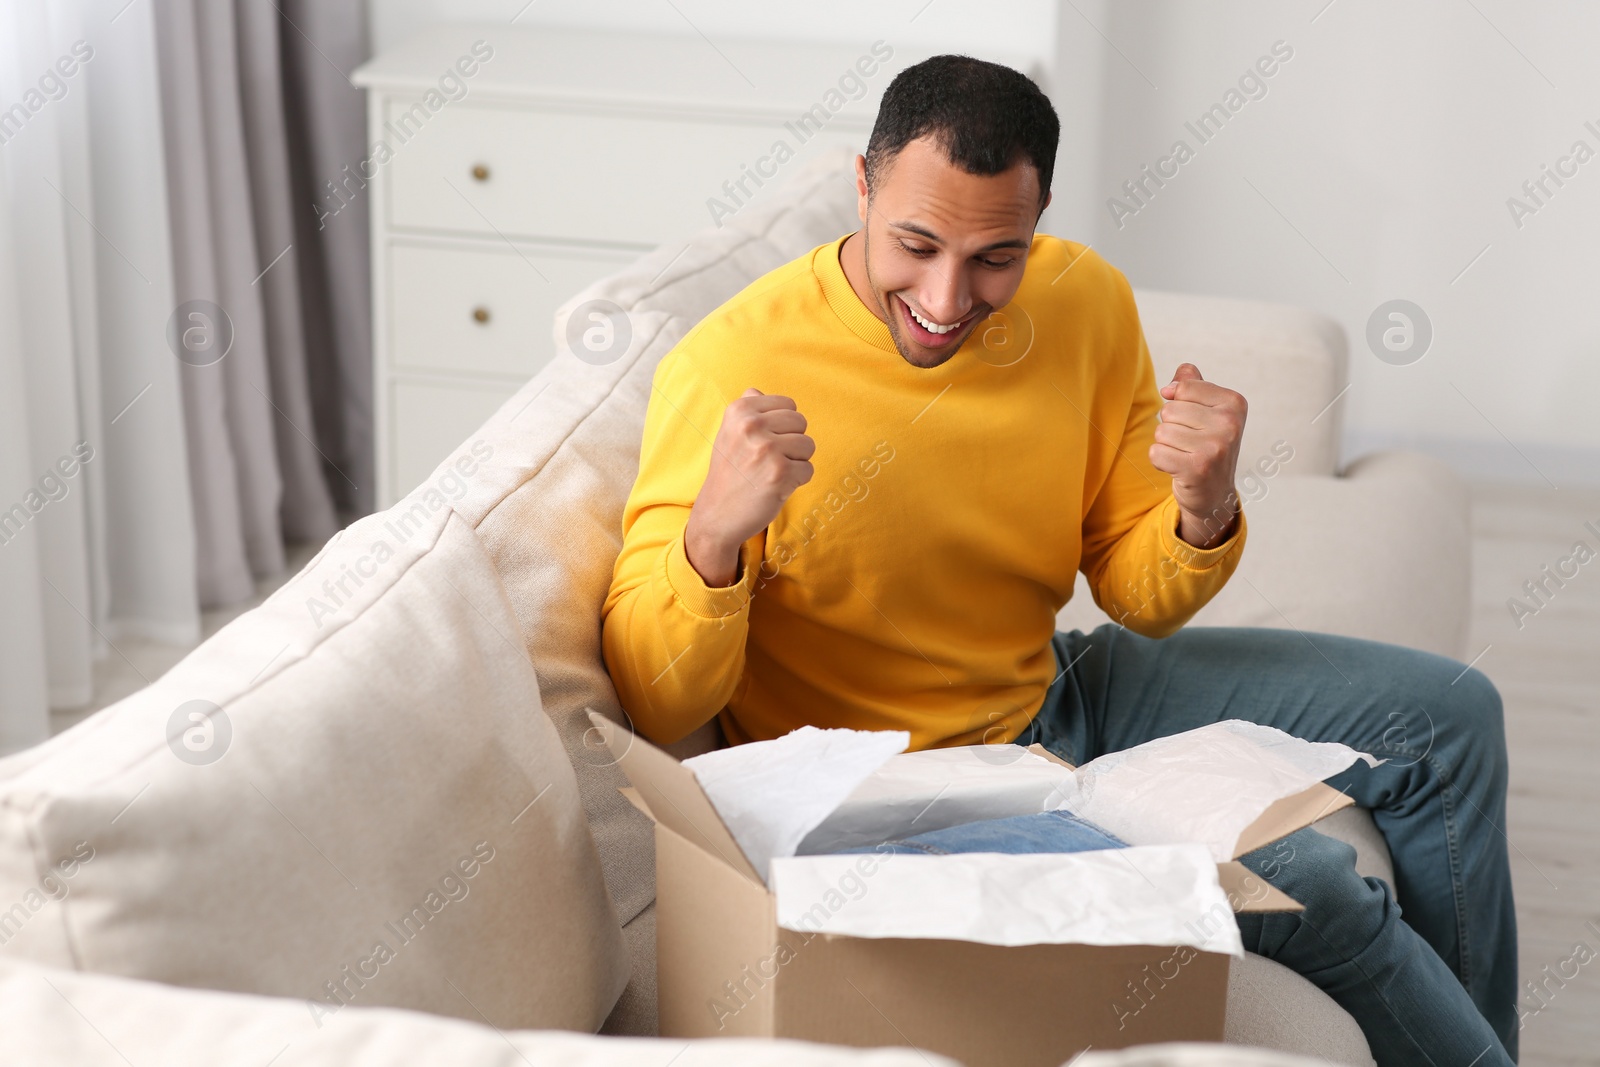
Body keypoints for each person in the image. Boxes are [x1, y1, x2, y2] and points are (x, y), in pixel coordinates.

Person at [600, 53, 1516, 1066]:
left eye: (996, 255)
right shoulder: (732, 366)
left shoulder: (1083, 302)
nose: (948, 297)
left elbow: (1139, 592)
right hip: (896, 795)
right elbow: (655, 700)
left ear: (1037, 221)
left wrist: (1202, 508)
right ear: (861, 187)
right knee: (1316, 885)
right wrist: (714, 537)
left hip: (1055, 692)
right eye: (916, 244)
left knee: (1448, 717)